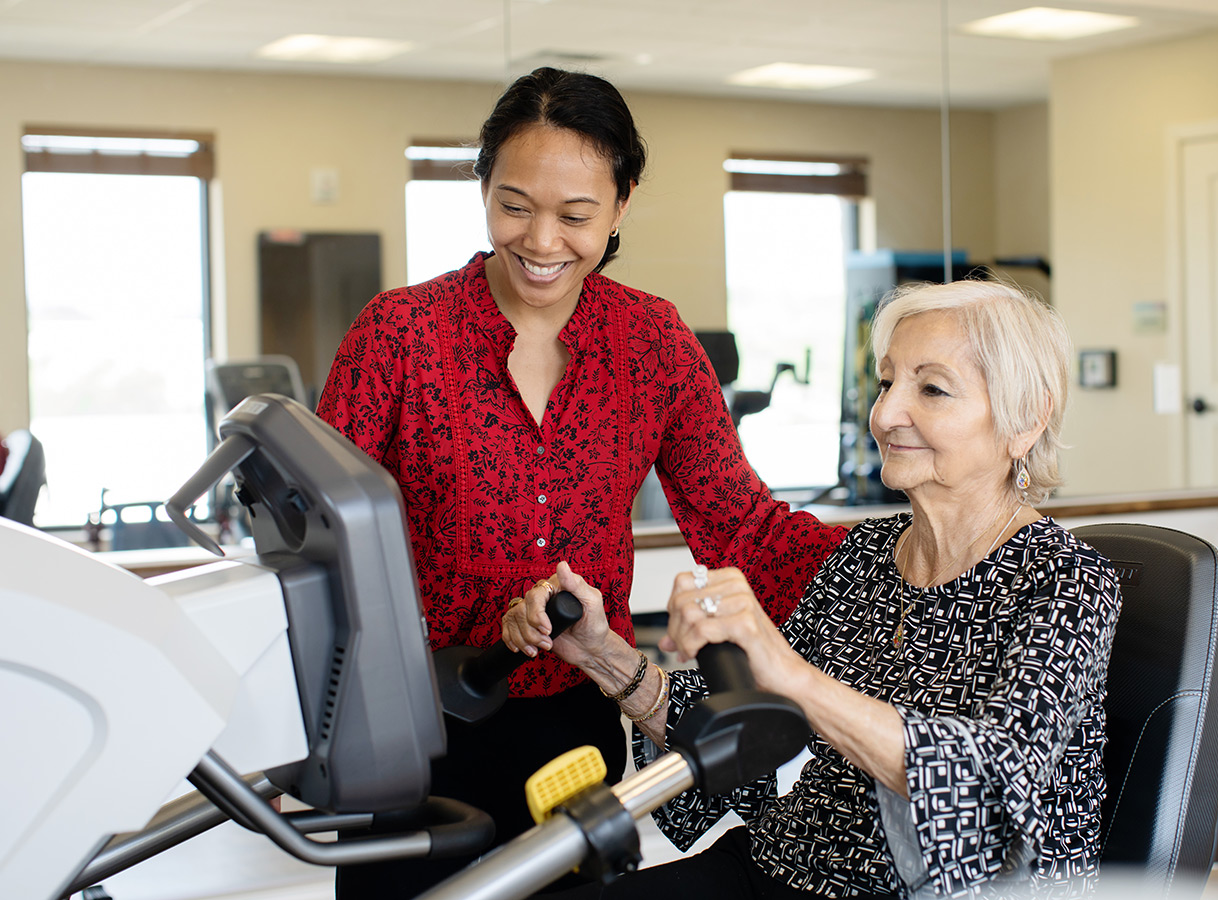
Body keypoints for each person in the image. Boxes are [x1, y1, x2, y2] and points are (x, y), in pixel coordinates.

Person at [316, 67, 847, 899]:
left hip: (571, 726)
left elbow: (741, 528)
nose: (540, 241)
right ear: (483, 187)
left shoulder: (652, 343)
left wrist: (904, 560)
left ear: (622, 203)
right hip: (413, 719)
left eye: (576, 215)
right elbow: (320, 542)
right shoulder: (401, 334)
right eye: (515, 205)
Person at [507, 279, 1123, 899]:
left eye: (931, 389)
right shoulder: (869, 556)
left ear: (1027, 418)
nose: (884, 414)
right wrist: (601, 653)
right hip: (787, 866)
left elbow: (982, 779)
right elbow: (747, 741)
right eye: (886, 384)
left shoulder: (1066, 581)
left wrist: (783, 668)